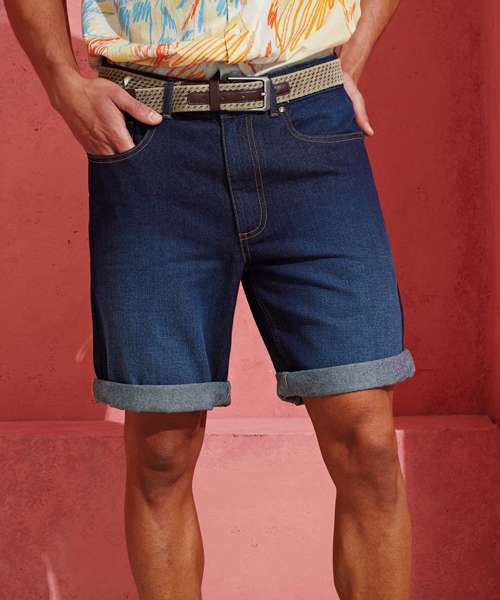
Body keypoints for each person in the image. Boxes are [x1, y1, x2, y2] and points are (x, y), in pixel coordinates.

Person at [5, 0, 416, 598]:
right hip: (152, 139)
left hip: (309, 125)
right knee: (162, 451)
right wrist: (61, 83)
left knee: (368, 442)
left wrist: (349, 61)